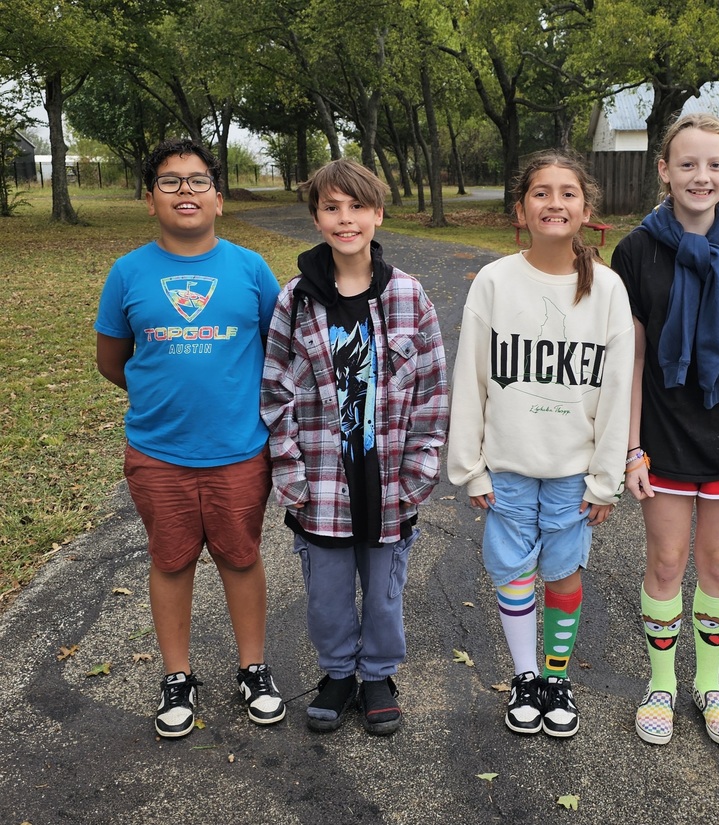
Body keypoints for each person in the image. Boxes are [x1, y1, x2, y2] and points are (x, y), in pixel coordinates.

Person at [94, 138, 285, 739]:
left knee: (240, 555)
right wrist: (165, 397)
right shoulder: (128, 273)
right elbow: (111, 360)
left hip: (239, 448)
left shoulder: (251, 270)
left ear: (219, 199)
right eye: (170, 181)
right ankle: (177, 677)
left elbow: (277, 353)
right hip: (159, 452)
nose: (185, 191)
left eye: (198, 180)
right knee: (171, 561)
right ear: (149, 200)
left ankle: (253, 668)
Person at [611, 114, 719, 748]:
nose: (700, 176)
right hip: (661, 435)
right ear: (663, 170)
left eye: (713, 165)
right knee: (665, 561)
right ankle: (661, 683)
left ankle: (708, 685)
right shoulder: (637, 250)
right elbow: (629, 357)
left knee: (717, 562)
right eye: (686, 164)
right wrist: (631, 447)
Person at [447, 151, 634, 738]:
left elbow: (617, 390)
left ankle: (557, 677)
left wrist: (606, 478)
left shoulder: (606, 288)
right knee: (512, 572)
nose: (554, 203)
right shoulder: (497, 281)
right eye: (541, 193)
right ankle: (526, 677)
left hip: (573, 472)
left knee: (561, 573)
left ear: (586, 209)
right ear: (520, 208)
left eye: (568, 193)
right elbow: (471, 378)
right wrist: (469, 469)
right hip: (507, 465)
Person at [260, 159, 448, 736]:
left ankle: (378, 676)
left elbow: (432, 392)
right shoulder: (295, 300)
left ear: (378, 214)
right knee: (327, 589)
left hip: (390, 483)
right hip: (321, 482)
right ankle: (338, 672)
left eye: (357, 207)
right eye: (332, 208)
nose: (346, 219)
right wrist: (291, 478)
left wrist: (418, 474)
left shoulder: (408, 297)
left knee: (385, 590)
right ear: (316, 217)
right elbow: (275, 390)